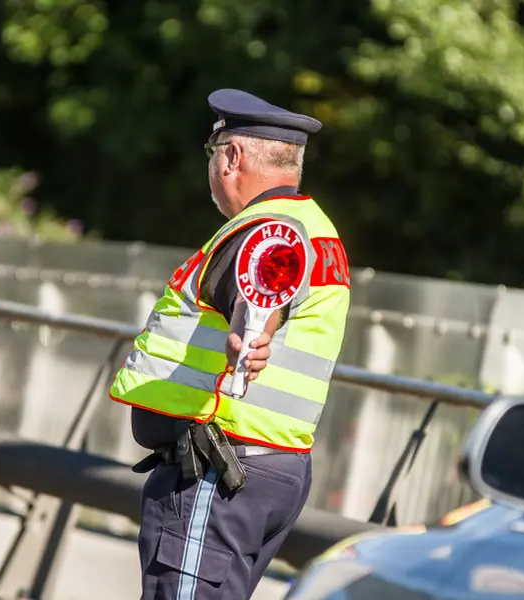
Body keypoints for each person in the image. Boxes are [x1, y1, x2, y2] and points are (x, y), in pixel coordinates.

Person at [109, 88, 351, 600]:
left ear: (232, 156)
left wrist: (251, 340)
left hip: (220, 471)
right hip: (268, 468)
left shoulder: (268, 233)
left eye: (212, 153)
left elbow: (259, 300)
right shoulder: (316, 229)